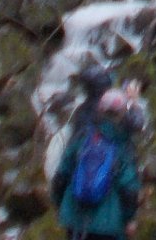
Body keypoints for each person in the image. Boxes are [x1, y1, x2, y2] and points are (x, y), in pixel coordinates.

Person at [50, 62, 141, 239]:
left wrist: (59, 205)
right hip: (109, 227)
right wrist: (129, 219)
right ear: (122, 113)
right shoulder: (123, 145)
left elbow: (61, 176)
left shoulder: (82, 137)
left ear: (100, 109)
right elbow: (129, 189)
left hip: (76, 221)